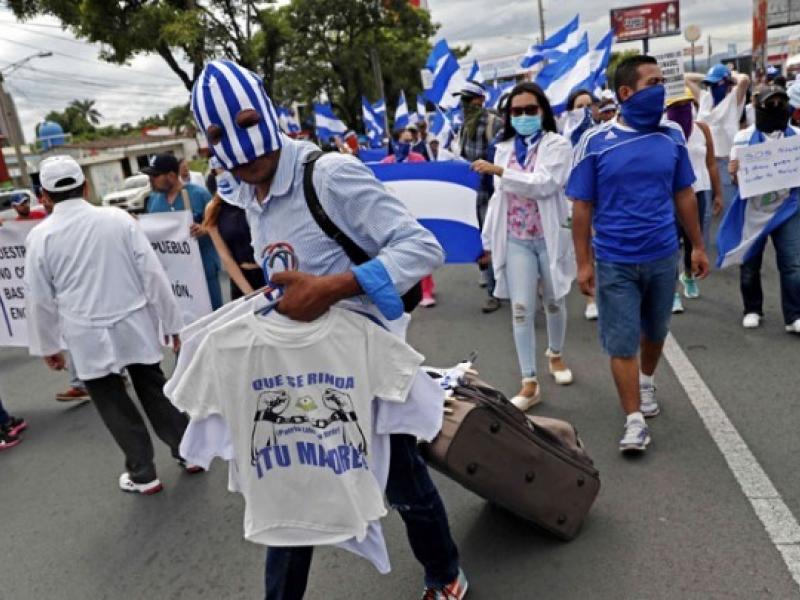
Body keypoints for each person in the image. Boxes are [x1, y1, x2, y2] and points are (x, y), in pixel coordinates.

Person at [191, 59, 466, 600]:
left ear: (270, 115)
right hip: (299, 372)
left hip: (365, 367)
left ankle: (446, 574)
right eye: (227, 144)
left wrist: (332, 287)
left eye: (251, 132)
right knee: (292, 488)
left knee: (404, 484)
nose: (247, 160)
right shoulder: (247, 190)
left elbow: (421, 248)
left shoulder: (329, 175)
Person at [24, 155, 201, 494]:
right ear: (86, 186)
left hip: (85, 332)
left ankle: (143, 474)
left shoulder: (41, 236)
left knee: (112, 402)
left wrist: (49, 346)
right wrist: (173, 322)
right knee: (154, 388)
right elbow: (152, 274)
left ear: (44, 195)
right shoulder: (118, 219)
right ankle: (189, 452)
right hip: (132, 322)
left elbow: (40, 299)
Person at [567, 55, 709, 453]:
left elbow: (684, 193)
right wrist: (583, 263)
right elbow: (581, 207)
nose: (661, 89)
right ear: (626, 93)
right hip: (615, 260)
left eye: (662, 81)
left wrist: (697, 245)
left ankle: (646, 382)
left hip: (663, 254)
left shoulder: (672, 137)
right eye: (653, 83)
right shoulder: (595, 143)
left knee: (656, 332)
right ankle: (633, 421)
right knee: (622, 341)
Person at [473, 82, 576, 410]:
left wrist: (501, 171)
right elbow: (498, 199)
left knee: (554, 300)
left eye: (530, 110)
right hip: (516, 239)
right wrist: (488, 240)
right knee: (520, 309)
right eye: (516, 112)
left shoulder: (557, 145)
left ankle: (555, 356)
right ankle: (529, 382)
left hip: (548, 236)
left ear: (543, 111)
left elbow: (545, 185)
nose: (523, 116)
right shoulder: (502, 147)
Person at [728, 85, 800, 333]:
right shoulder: (743, 138)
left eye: (781, 103)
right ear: (759, 107)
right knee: (749, 264)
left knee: (792, 263)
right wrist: (734, 172)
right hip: (754, 209)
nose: (776, 108)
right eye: (771, 104)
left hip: (787, 208)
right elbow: (737, 180)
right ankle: (752, 309)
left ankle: (794, 315)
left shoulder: (797, 137)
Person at [664, 90, 724, 310]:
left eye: (686, 103)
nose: (682, 109)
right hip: (672, 194)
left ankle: (688, 275)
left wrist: (717, 192)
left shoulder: (702, 129)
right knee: (671, 242)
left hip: (699, 191)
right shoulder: (664, 131)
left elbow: (711, 163)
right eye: (676, 105)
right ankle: (671, 292)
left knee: (694, 239)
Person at [144, 153, 223, 310]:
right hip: (175, 276)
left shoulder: (200, 195)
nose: (151, 180)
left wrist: (205, 229)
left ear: (171, 176)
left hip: (203, 270)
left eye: (155, 175)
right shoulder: (153, 201)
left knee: (214, 315)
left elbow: (220, 225)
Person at [453, 80, 503, 313]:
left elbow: (504, 157)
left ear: (481, 100)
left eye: (469, 99)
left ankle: (508, 284)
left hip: (496, 194)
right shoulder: (464, 127)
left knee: (501, 241)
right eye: (463, 100)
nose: (465, 105)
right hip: (474, 195)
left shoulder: (495, 124)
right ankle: (492, 291)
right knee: (482, 242)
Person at [687, 64, 750, 213]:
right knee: (706, 212)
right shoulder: (705, 98)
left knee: (727, 209)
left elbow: (745, 80)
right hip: (704, 163)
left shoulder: (734, 98)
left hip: (724, 163)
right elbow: (686, 79)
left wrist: (730, 75)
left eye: (716, 84)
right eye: (710, 84)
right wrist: (708, 77)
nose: (713, 88)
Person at [203, 167, 266, 299]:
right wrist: (250, 294)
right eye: (216, 171)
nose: (222, 173)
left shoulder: (258, 196)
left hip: (272, 274)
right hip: (242, 282)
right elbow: (225, 256)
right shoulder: (213, 209)